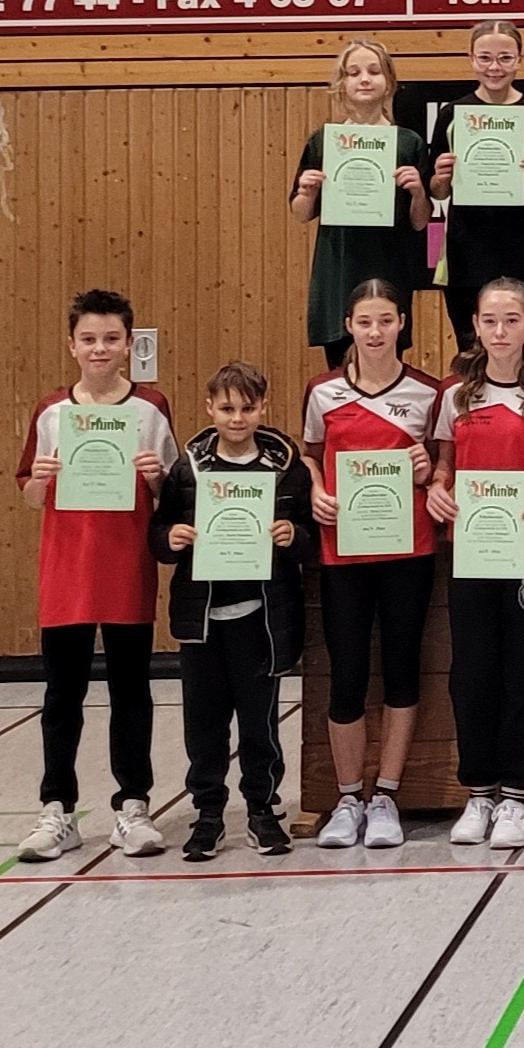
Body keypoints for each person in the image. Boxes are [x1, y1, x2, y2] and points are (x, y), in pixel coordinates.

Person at [13, 289, 179, 861]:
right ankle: (57, 809)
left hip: (126, 568)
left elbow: (173, 495)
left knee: (131, 691)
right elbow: (30, 493)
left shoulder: (151, 407)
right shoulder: (51, 411)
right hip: (67, 572)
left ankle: (133, 806)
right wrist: (40, 480)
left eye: (111, 338)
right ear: (72, 345)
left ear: (130, 344)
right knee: (63, 694)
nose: (99, 348)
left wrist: (155, 479)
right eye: (89, 339)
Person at [425, 279, 524, 850]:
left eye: (512, 320)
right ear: (476, 325)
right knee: (472, 672)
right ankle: (479, 791)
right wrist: (438, 489)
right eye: (490, 321)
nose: (500, 331)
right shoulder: (454, 394)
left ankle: (515, 795)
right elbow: (443, 465)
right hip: (473, 547)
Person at [151, 361, 315, 861]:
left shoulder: (286, 469)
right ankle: (208, 814)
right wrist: (171, 539)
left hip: (261, 618)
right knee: (204, 723)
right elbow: (158, 535)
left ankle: (263, 810)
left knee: (259, 722)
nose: (237, 418)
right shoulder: (187, 470)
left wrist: (293, 536)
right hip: (202, 620)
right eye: (227, 408)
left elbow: (312, 539)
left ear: (263, 408)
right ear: (210, 409)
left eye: (247, 408)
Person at [302, 280, 443, 850]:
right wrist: (315, 490)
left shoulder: (429, 392)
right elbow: (309, 457)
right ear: (349, 327)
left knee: (402, 668)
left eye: (386, 320)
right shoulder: (323, 392)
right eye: (365, 322)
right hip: (344, 553)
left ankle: (385, 794)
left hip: (410, 550)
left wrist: (428, 468)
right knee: (347, 673)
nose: (376, 332)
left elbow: (443, 465)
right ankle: (347, 798)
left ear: (402, 323)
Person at [289, 40, 430, 368]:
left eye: (374, 71)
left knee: (385, 372)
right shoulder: (324, 141)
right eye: (354, 73)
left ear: (389, 82)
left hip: (389, 268)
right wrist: (307, 192)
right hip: (338, 271)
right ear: (342, 83)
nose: (364, 79)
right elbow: (300, 213)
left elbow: (420, 221)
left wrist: (418, 192)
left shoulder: (408, 142)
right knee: (339, 375)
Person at [427, 20, 524, 351]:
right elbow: (437, 191)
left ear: (519, 59)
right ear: (471, 59)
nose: (494, 67)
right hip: (465, 249)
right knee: (471, 351)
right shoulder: (452, 114)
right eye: (485, 58)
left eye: (505, 58)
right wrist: (441, 177)